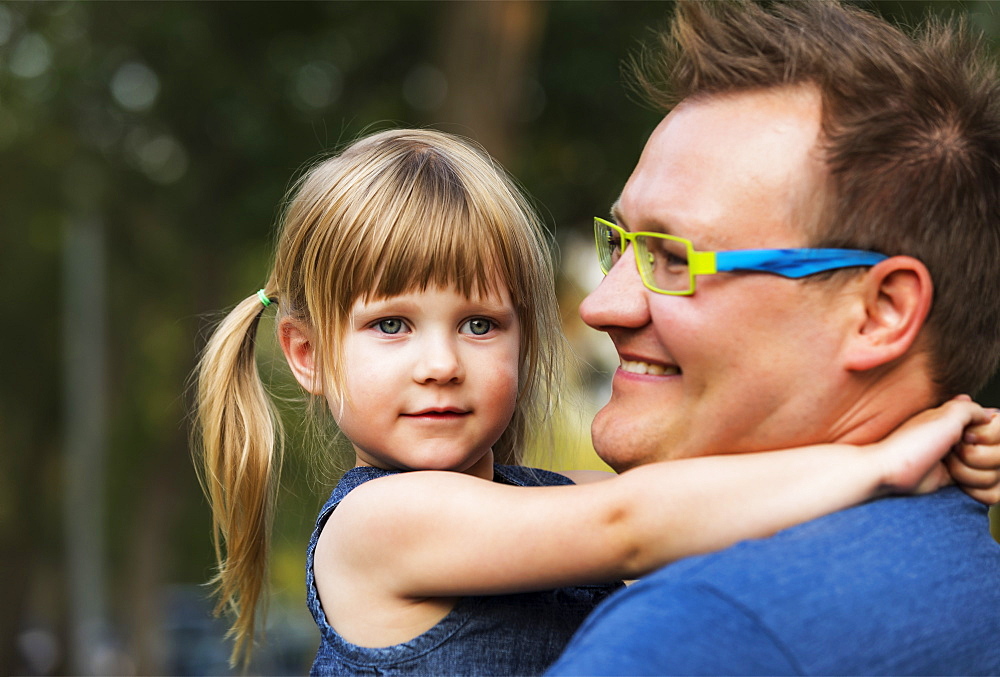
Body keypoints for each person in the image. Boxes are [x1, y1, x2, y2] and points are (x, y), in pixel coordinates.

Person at [193, 129, 999, 675]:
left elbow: (703, 499)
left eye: (480, 323)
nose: (439, 363)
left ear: (525, 336)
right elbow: (636, 523)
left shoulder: (537, 500)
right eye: (391, 325)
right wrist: (875, 460)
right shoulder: (379, 525)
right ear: (306, 352)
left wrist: (925, 446)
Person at [546, 2, 1000, 675]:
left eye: (673, 258)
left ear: (880, 313)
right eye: (623, 244)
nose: (603, 306)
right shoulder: (956, 570)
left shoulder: (701, 631)